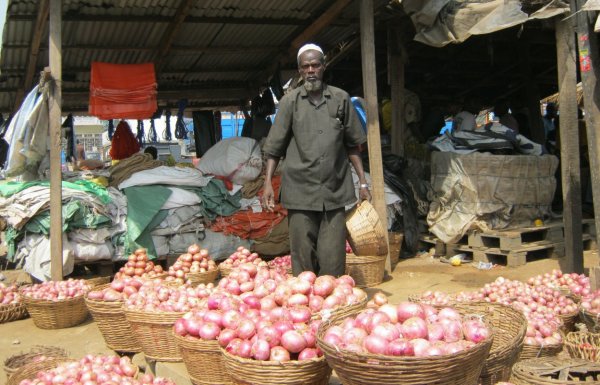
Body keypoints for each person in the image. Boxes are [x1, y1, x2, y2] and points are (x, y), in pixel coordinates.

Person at [261, 43, 371, 277]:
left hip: (334, 189)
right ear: (300, 71)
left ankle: (331, 303)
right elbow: (274, 148)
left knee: (332, 257)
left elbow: (353, 144)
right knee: (302, 255)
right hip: (300, 190)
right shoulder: (290, 102)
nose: (310, 70)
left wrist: (362, 182)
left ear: (323, 67)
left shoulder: (340, 99)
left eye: (315, 65)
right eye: (305, 66)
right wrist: (268, 183)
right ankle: (307, 303)